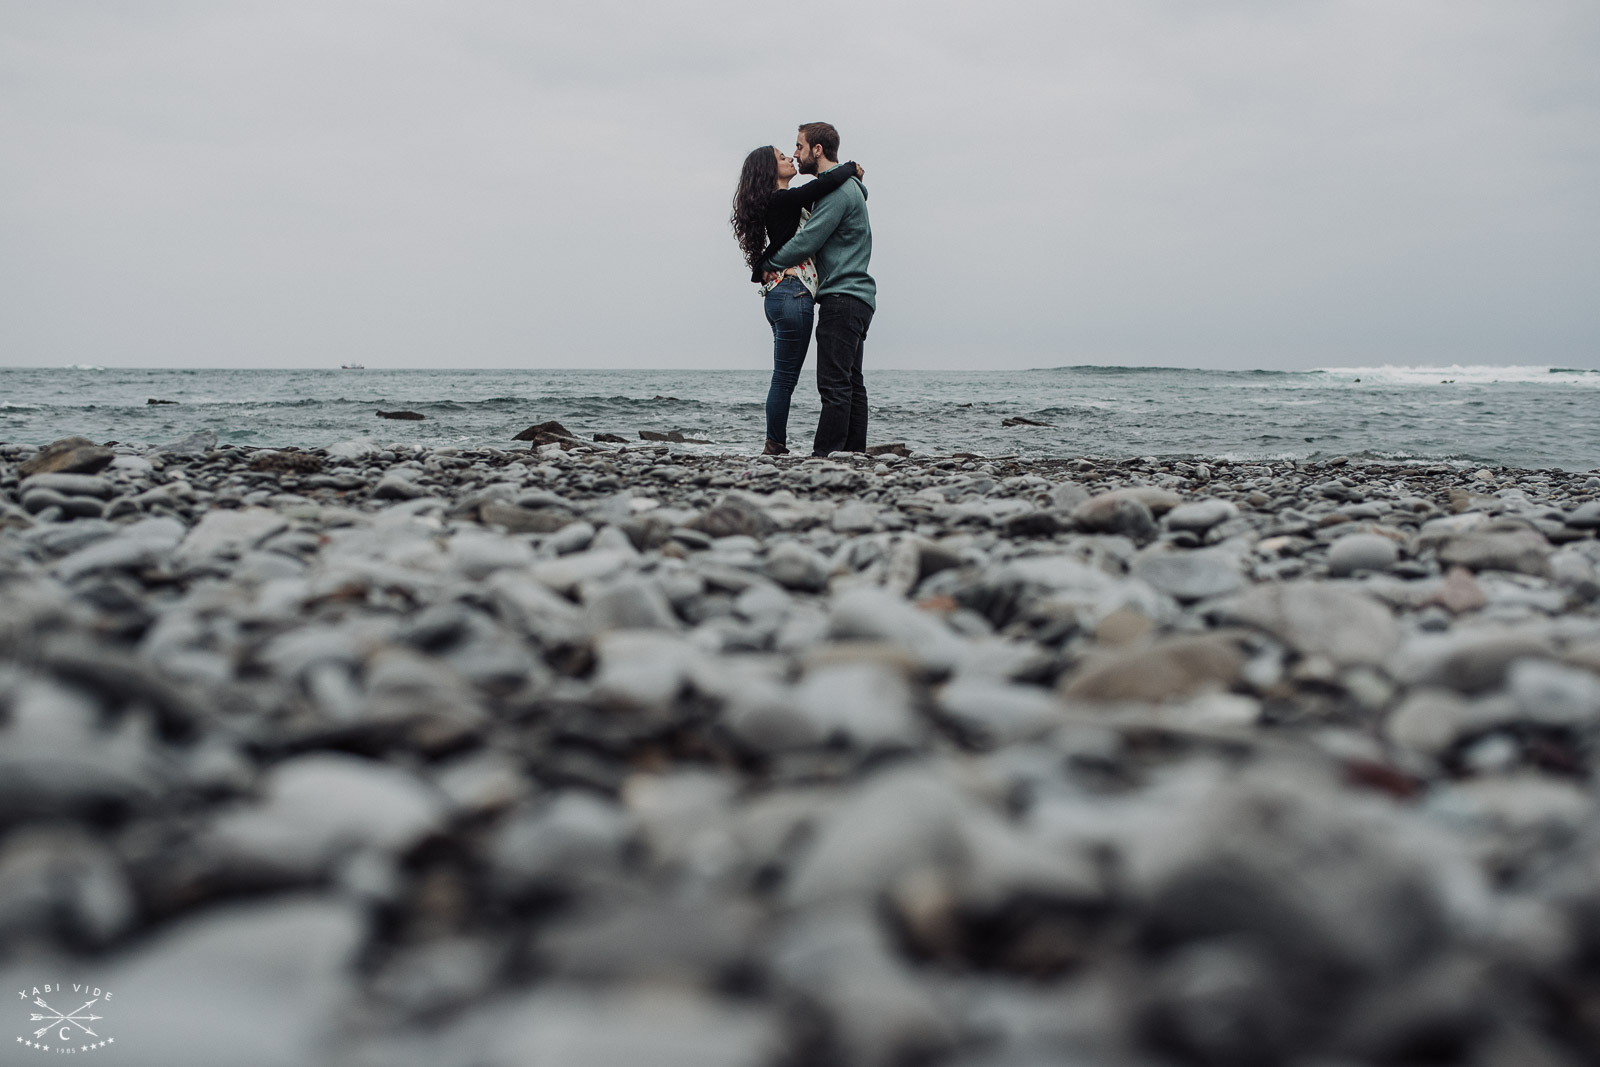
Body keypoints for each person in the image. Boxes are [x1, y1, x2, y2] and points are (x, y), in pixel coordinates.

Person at [730, 146, 863, 455]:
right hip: (792, 294)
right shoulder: (782, 199)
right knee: (785, 379)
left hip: (781, 296)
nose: (790, 158)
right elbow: (822, 185)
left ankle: (775, 443)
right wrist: (850, 167)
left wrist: (762, 270)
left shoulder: (779, 204)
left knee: (783, 378)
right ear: (769, 171)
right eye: (781, 158)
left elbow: (774, 248)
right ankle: (774, 445)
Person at [760, 122, 875, 457]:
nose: (795, 153)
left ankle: (826, 455)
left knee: (834, 384)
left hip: (843, 295)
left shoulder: (837, 192)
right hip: (857, 296)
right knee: (851, 381)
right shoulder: (841, 188)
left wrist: (767, 264)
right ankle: (852, 453)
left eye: (799, 146)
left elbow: (808, 238)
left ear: (817, 150)